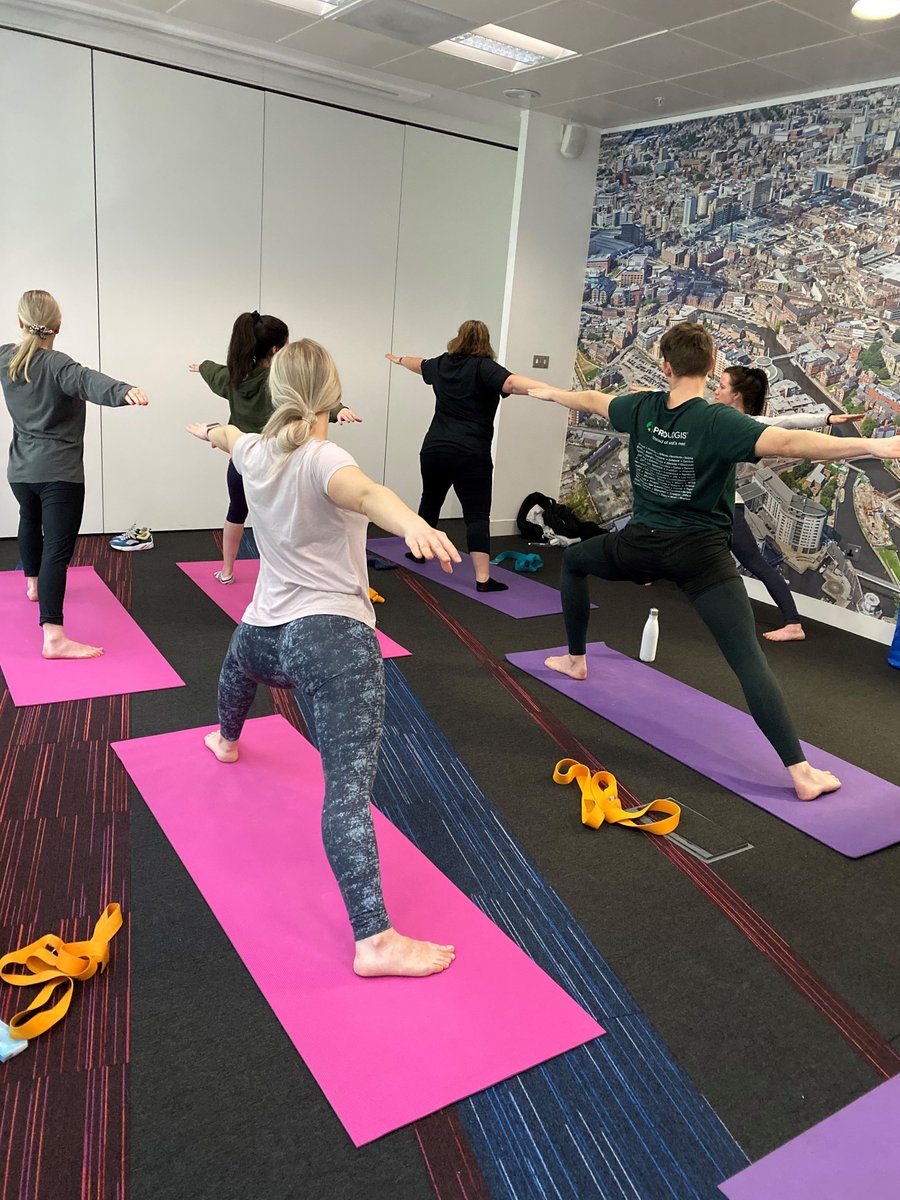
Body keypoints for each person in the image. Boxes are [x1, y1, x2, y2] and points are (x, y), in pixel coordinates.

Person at [528, 322, 900, 802]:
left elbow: (590, 400)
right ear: (711, 364)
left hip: (641, 545)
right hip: (701, 556)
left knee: (575, 562)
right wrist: (872, 446)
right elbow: (788, 443)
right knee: (746, 658)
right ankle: (802, 773)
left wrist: (544, 391)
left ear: (665, 366)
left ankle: (576, 660)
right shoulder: (719, 421)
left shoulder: (641, 407)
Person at [187, 338, 459, 977]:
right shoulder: (323, 455)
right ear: (332, 400)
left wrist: (206, 431)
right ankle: (374, 940)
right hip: (331, 642)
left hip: (264, 634)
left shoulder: (256, 450)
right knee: (346, 791)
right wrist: (412, 524)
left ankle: (226, 739)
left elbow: (230, 436)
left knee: (237, 666)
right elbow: (365, 494)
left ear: (276, 392)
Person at [0, 290, 148, 659]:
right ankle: (53, 637)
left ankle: (33, 585)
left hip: (20, 472)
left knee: (28, 519)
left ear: (20, 323)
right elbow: (87, 380)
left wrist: (120, 391)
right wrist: (124, 391)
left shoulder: (6, 358)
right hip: (59, 474)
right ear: (58, 326)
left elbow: (86, 380)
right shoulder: (57, 364)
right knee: (57, 547)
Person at [191, 311, 361, 585]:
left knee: (236, 512)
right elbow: (309, 398)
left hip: (240, 459)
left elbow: (214, 372)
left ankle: (227, 571)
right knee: (281, 520)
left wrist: (202, 367)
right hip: (276, 462)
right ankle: (284, 574)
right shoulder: (277, 383)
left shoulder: (234, 378)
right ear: (275, 350)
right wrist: (337, 410)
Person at [386, 320, 547, 591]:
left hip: (435, 449)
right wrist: (549, 391)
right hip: (471, 454)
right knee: (476, 515)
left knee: (430, 500)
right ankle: (483, 579)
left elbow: (419, 364)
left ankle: (418, 552)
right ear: (486, 341)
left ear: (458, 338)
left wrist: (400, 360)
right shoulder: (485, 368)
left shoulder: (442, 363)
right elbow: (511, 383)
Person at [714, 365, 863, 642]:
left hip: (723, 504)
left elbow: (790, 421)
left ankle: (793, 623)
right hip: (712, 502)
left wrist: (828, 418)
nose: (715, 391)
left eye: (721, 386)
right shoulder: (713, 416)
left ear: (736, 395)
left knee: (754, 562)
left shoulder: (750, 425)